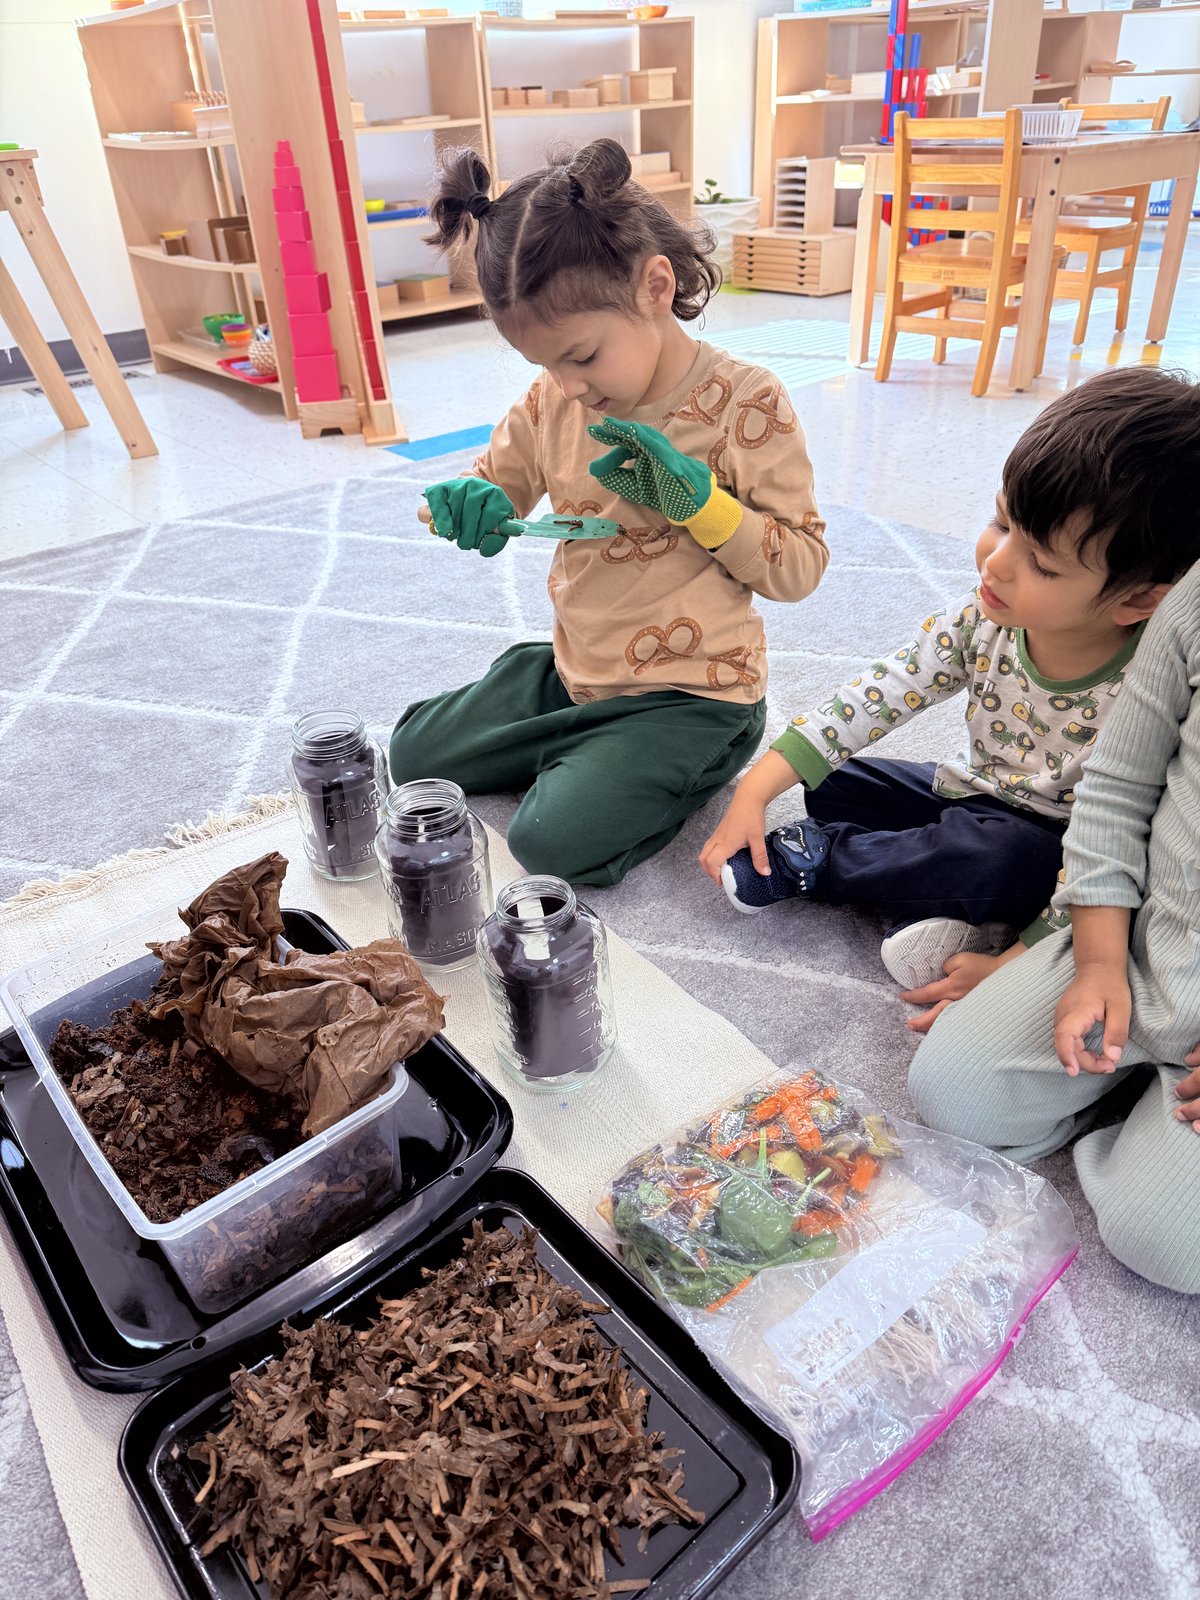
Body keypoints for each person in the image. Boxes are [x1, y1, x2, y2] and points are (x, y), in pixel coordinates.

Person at [699, 368, 1200, 1028]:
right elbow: (881, 694)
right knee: (835, 784)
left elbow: (1109, 858)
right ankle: (936, 898)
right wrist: (756, 789)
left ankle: (826, 865)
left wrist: (1013, 965)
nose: (996, 562)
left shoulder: (1145, 691)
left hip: (1054, 853)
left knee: (995, 855)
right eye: (1001, 522)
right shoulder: (985, 616)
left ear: (1139, 600)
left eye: (1042, 564)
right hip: (973, 792)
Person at [389, 138, 829, 886]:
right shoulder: (554, 398)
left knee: (550, 841)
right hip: (576, 670)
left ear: (655, 286)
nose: (568, 385)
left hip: (693, 697)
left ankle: (619, 768)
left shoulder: (747, 402)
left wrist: (703, 506)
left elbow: (802, 568)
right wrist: (476, 503)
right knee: (410, 756)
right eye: (543, 365)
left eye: (583, 356)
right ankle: (578, 744)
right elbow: (504, 480)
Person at [908, 552, 1200, 1295]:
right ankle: (1128, 1086)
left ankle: (1142, 1111)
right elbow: (1118, 789)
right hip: (1134, 942)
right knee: (951, 1094)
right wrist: (1100, 960)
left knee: (1165, 1242)